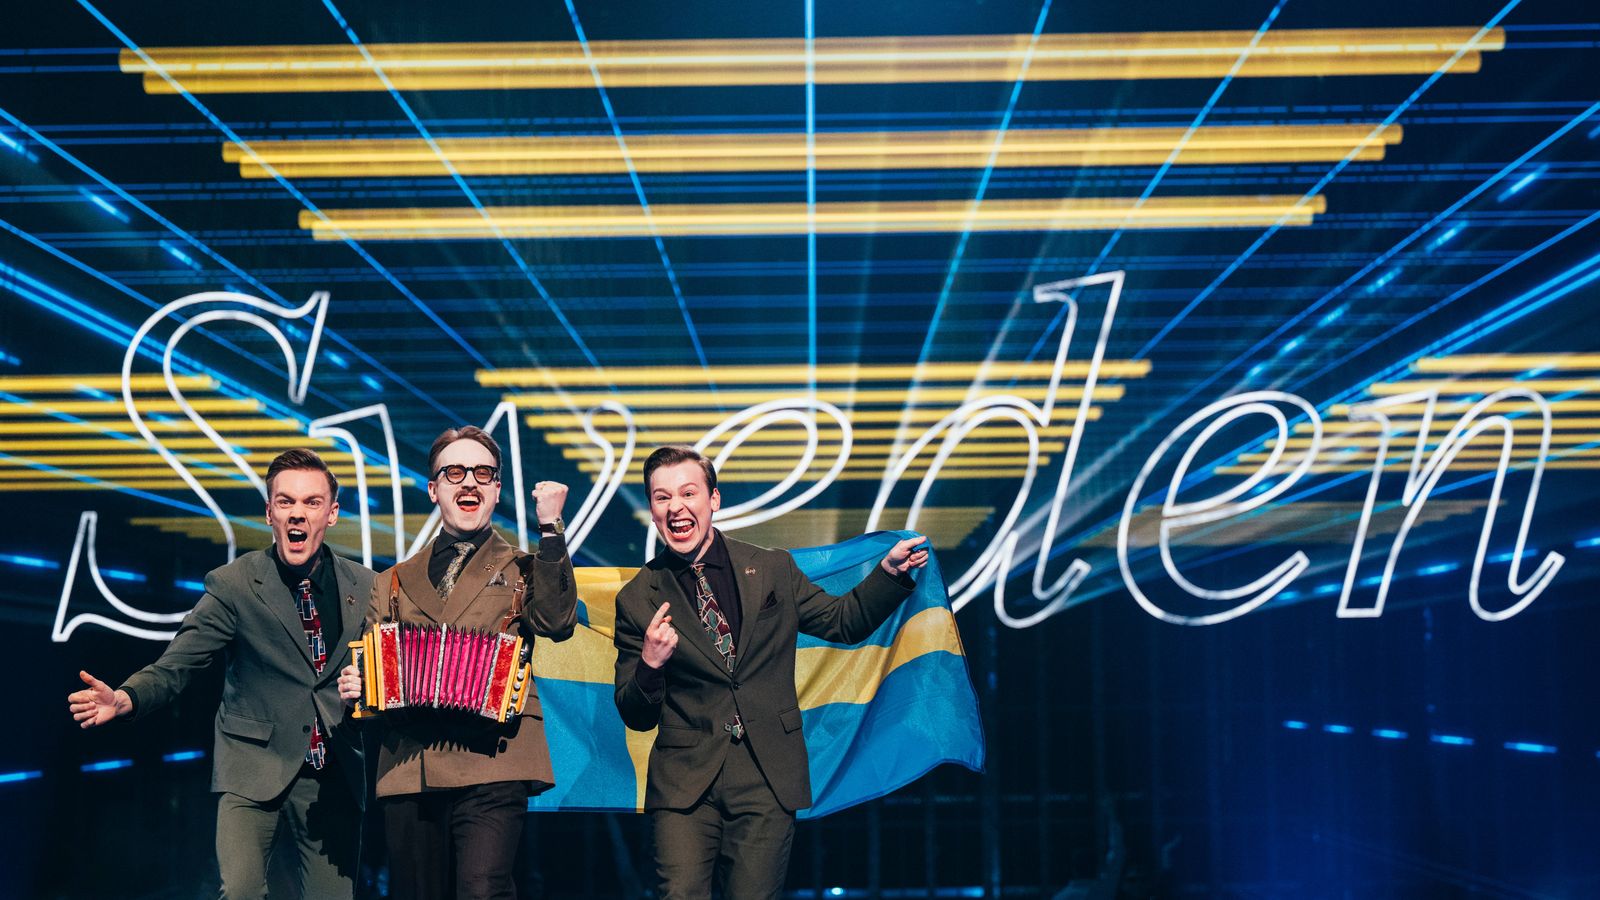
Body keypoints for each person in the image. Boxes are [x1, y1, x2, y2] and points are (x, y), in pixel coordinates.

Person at [613, 444, 929, 899]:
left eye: (688, 493)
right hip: (685, 782)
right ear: (652, 510)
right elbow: (634, 712)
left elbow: (843, 621)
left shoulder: (772, 568)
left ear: (713, 500)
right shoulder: (638, 597)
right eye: (662, 498)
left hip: (766, 774)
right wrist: (649, 664)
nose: (676, 507)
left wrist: (888, 574)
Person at [67, 448, 374, 899]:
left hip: (333, 771)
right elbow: (179, 663)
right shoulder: (234, 584)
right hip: (254, 765)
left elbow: (388, 672)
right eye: (285, 502)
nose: (297, 515)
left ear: (332, 514)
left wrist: (368, 691)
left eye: (311, 502)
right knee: (242, 891)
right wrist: (127, 697)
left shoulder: (366, 586)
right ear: (269, 513)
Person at [339, 425, 576, 900]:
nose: (469, 482)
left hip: (495, 759)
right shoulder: (393, 581)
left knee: (481, 890)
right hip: (412, 763)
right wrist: (357, 684)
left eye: (482, 473)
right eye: (454, 472)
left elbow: (555, 620)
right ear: (433, 489)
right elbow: (370, 664)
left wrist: (551, 528)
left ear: (496, 489)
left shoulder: (524, 567)